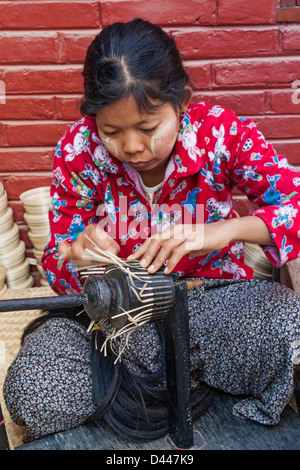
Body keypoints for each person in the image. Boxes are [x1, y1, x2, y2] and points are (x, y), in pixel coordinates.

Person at [3, 18, 300, 444]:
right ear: (93, 120)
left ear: (182, 102)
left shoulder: (221, 134)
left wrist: (220, 232)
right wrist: (76, 255)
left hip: (207, 305)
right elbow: (56, 261)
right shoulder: (78, 150)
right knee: (33, 393)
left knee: (288, 325)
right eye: (111, 132)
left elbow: (295, 208)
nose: (132, 147)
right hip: (110, 324)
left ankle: (152, 385)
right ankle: (184, 378)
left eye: (147, 128)